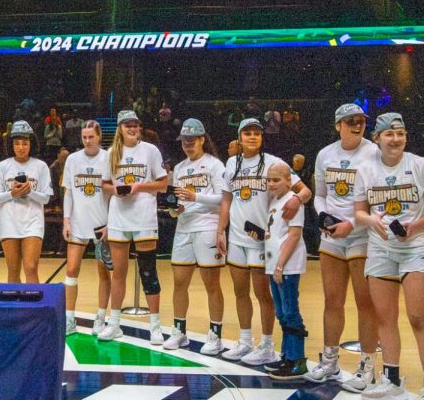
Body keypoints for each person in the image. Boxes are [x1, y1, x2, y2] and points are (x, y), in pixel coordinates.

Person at [352, 112, 424, 400]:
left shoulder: (420, 165)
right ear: (377, 138)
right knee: (385, 317)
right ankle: (392, 379)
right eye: (389, 134)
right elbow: (359, 211)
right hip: (381, 248)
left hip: (416, 247)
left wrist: (415, 225)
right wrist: (371, 220)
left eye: (401, 133)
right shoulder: (365, 169)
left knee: (419, 316)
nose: (395, 138)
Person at [215, 117, 311, 366]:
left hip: (263, 240)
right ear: (239, 137)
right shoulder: (230, 164)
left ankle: (267, 344)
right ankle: (245, 340)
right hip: (236, 236)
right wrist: (220, 230)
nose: (253, 136)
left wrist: (296, 200)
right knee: (239, 291)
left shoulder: (274, 163)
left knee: (263, 294)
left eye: (257, 132)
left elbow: (305, 190)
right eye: (247, 132)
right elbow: (226, 200)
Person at [306, 104, 379, 389]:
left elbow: (374, 197)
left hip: (361, 234)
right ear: (338, 125)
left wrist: (351, 222)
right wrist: (323, 216)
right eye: (350, 121)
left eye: (361, 120)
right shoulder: (325, 154)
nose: (357, 124)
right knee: (332, 301)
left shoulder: (373, 152)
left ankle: (367, 365)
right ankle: (330, 360)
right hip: (331, 236)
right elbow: (320, 194)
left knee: (366, 303)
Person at [98, 110, 169, 343]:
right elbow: (105, 185)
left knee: (148, 272)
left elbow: (163, 184)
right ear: (119, 128)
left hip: (144, 218)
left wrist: (138, 187)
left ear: (139, 127)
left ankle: (155, 327)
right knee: (118, 273)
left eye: (135, 125)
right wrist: (116, 190)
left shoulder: (150, 150)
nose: (132, 128)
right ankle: (115, 323)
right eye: (127, 125)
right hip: (119, 218)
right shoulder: (110, 154)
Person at [163, 119, 226, 355]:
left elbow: (223, 199)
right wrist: (173, 208)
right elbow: (178, 201)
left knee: (211, 284)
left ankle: (215, 334)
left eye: (192, 141)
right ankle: (179, 331)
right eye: (184, 142)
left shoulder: (215, 165)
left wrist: (195, 197)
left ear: (202, 139)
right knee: (179, 282)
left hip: (208, 226)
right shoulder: (178, 169)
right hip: (184, 226)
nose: (188, 145)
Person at [60, 120, 113, 335]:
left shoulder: (108, 158)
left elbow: (113, 193)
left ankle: (100, 318)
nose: (88, 140)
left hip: (102, 224)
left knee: (103, 274)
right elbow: (69, 192)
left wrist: (111, 223)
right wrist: (66, 219)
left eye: (91, 137)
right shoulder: (72, 159)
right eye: (84, 137)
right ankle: (69, 318)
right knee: (71, 270)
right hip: (78, 222)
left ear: (99, 137)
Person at [0, 120, 53, 283]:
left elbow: (46, 198)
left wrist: (29, 191)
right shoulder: (3, 166)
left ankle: (33, 307)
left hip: (32, 221)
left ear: (31, 144)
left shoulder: (41, 166)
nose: (21, 147)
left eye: (25, 143)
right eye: (17, 143)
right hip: (8, 220)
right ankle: (15, 307)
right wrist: (12, 193)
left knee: (31, 267)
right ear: (11, 145)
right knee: (13, 269)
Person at [263, 162, 309, 380]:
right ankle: (286, 355)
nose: (271, 184)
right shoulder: (275, 201)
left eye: (276, 180)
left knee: (290, 311)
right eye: (269, 180)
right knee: (281, 312)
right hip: (274, 265)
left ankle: (297, 359)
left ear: (288, 181)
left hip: (287, 266)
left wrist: (280, 265)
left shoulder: (293, 202)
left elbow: (293, 235)